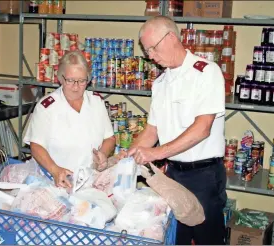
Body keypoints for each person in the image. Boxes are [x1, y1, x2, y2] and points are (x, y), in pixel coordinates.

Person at [126, 16, 227, 245]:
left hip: (204, 176)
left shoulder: (206, 73)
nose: (150, 56)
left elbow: (202, 128)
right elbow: (151, 131)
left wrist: (157, 153)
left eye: (153, 48)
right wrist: (127, 155)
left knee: (206, 239)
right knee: (173, 238)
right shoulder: (160, 83)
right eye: (146, 50)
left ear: (171, 37)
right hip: (173, 175)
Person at [24, 50, 115, 188]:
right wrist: (55, 170)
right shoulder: (47, 107)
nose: (76, 86)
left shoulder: (96, 102)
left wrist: (103, 154)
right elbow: (36, 145)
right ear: (61, 78)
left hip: (92, 180)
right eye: (70, 80)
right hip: (56, 181)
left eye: (82, 81)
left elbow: (109, 138)